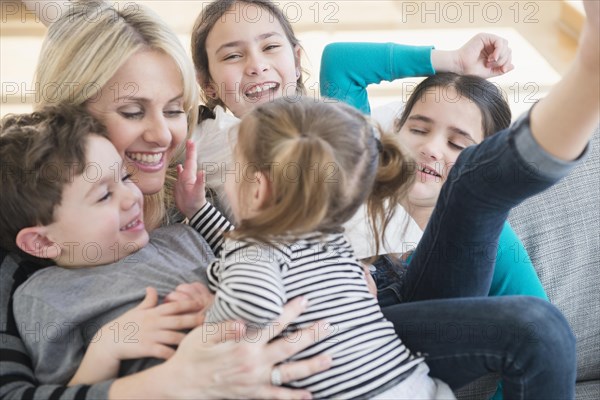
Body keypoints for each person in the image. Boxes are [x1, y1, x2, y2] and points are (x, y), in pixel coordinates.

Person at [0, 1, 330, 399]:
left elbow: (276, 265)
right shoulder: (26, 260)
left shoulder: (196, 201)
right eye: (133, 111)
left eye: (175, 109)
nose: (163, 135)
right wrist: (167, 383)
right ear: (71, 118)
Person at [189, 0, 514, 219]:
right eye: (233, 56)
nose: (257, 66)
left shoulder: (336, 121)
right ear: (208, 85)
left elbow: (340, 60)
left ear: (298, 61)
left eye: (271, 47)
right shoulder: (215, 146)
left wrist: (455, 61)